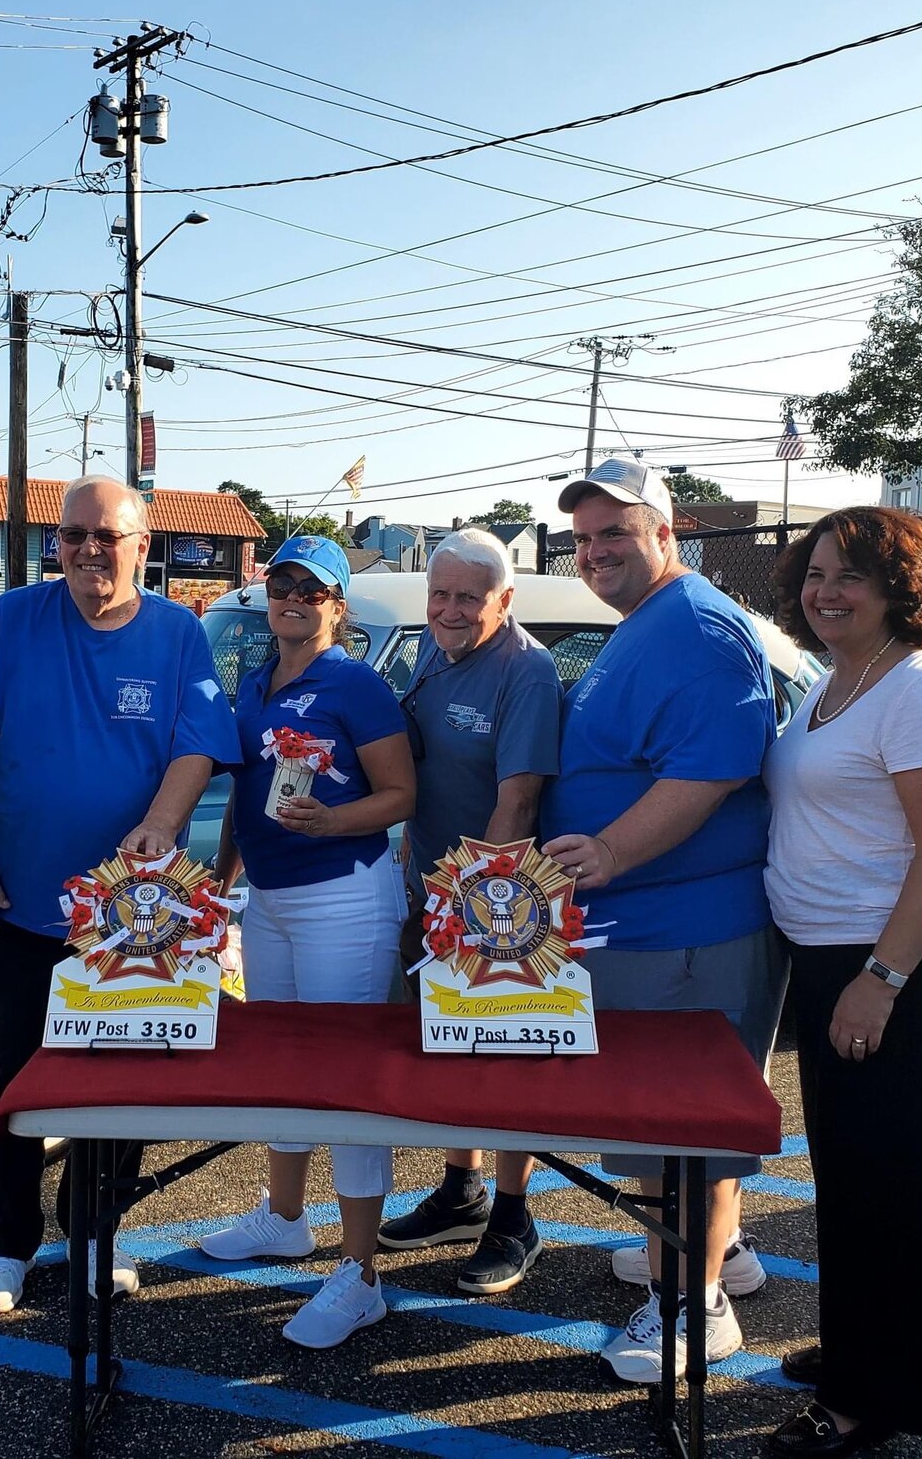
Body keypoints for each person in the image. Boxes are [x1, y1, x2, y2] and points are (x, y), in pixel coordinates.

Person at [0, 475, 238, 1315]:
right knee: (6, 1079)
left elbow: (197, 745)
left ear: (144, 545)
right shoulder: (8, 621)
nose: (87, 551)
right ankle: (5, 1244)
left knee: (119, 1083)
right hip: (21, 899)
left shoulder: (180, 634)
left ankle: (94, 1234)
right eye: (72, 535)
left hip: (131, 918)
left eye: (107, 536)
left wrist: (159, 824)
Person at [538, 456, 786, 1383]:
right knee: (665, 1125)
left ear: (665, 535)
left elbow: (711, 768)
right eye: (585, 536)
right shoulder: (651, 622)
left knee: (689, 1123)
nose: (596, 551)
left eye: (616, 533)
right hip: (647, 929)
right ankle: (719, 1252)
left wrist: (609, 852)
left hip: (688, 927)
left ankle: (695, 1304)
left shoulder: (697, 626)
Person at [762, 508, 922, 1456]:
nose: (826, 592)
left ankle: (872, 1399)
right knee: (853, 1175)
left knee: (903, 1184)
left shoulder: (919, 692)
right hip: (840, 961)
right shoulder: (836, 680)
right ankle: (865, 1346)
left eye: (850, 576)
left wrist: (881, 978)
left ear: (899, 587)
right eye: (816, 573)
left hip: (912, 965)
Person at [199, 535, 415, 1347]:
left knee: (347, 1079)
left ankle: (362, 1273)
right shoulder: (256, 680)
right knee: (285, 1067)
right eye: (282, 584)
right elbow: (248, 797)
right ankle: (286, 1216)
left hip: (344, 898)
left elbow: (400, 794)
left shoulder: (356, 684)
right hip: (272, 898)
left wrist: (331, 819)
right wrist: (222, 877)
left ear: (338, 605)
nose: (294, 598)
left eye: (312, 590)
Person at [376, 528, 562, 1294]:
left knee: (505, 1058)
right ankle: (463, 1189)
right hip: (435, 888)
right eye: (440, 594)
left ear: (505, 600)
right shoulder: (434, 649)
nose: (449, 610)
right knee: (453, 1051)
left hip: (498, 903)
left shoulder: (527, 672)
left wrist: (471, 910)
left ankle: (515, 1217)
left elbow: (517, 800)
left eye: (468, 598)